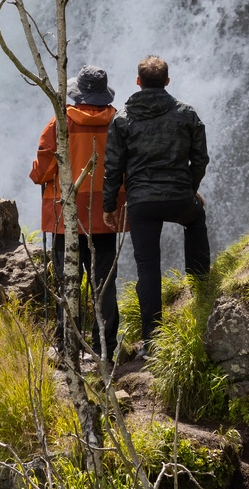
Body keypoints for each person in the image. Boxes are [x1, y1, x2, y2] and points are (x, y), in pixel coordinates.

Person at [102, 55, 209, 353]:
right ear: (167, 81)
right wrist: (190, 187)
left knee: (147, 267)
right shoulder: (186, 114)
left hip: (141, 202)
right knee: (196, 222)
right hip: (179, 197)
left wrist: (108, 205)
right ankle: (202, 294)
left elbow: (113, 168)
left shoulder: (122, 118)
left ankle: (152, 341)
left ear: (138, 82)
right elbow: (200, 158)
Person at [30, 65, 128, 362]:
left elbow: (42, 171)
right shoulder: (118, 122)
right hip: (106, 213)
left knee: (68, 282)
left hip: (66, 215)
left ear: (78, 93)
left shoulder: (61, 123)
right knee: (104, 282)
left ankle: (66, 347)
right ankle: (106, 347)